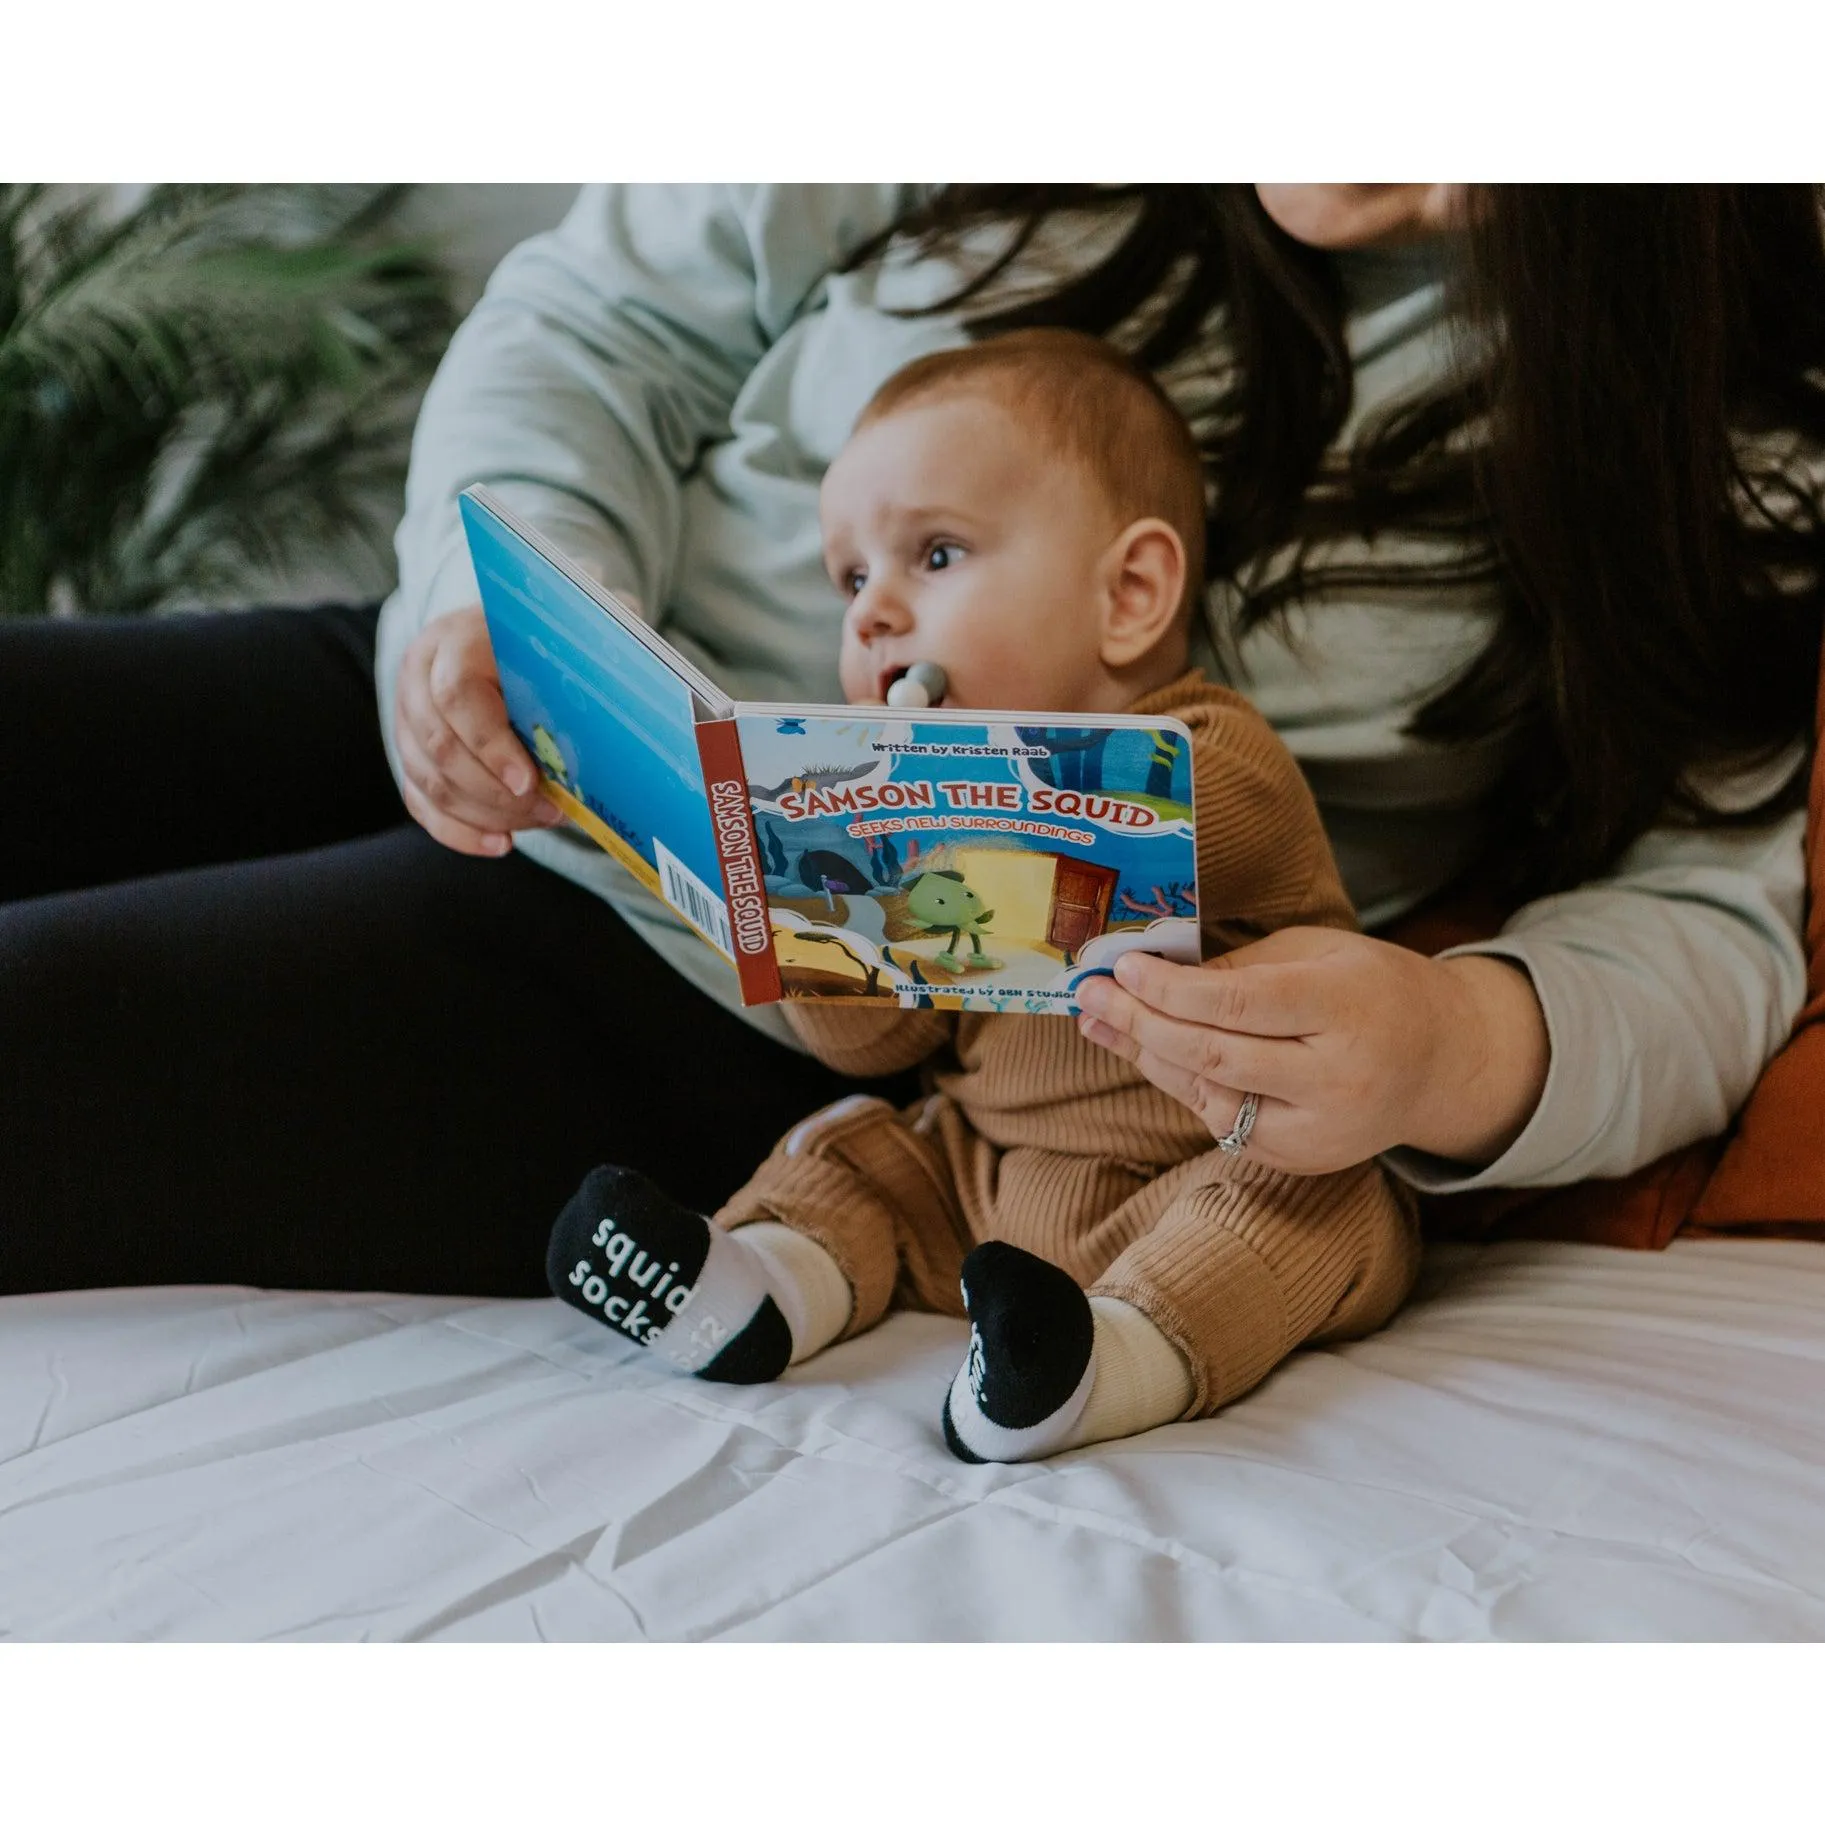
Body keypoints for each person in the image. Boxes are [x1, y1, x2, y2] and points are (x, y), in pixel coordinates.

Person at [3, 185, 1821, 1313]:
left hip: (747, 997)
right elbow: (606, 316)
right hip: (490, 682)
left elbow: (1713, 906)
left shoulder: (1714, 412)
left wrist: (1455, 1044)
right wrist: (481, 597)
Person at [546, 329, 1419, 1462]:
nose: (870, 614)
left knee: (1328, 1206)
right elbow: (870, 1043)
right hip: (985, 1179)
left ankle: (1106, 1361)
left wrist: (914, 806)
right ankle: (753, 1288)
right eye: (851, 579)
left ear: (1130, 594)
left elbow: (1159, 838)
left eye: (936, 556)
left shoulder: (1217, 755)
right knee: (858, 1147)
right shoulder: (904, 834)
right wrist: (806, 904)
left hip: (1202, 1168)